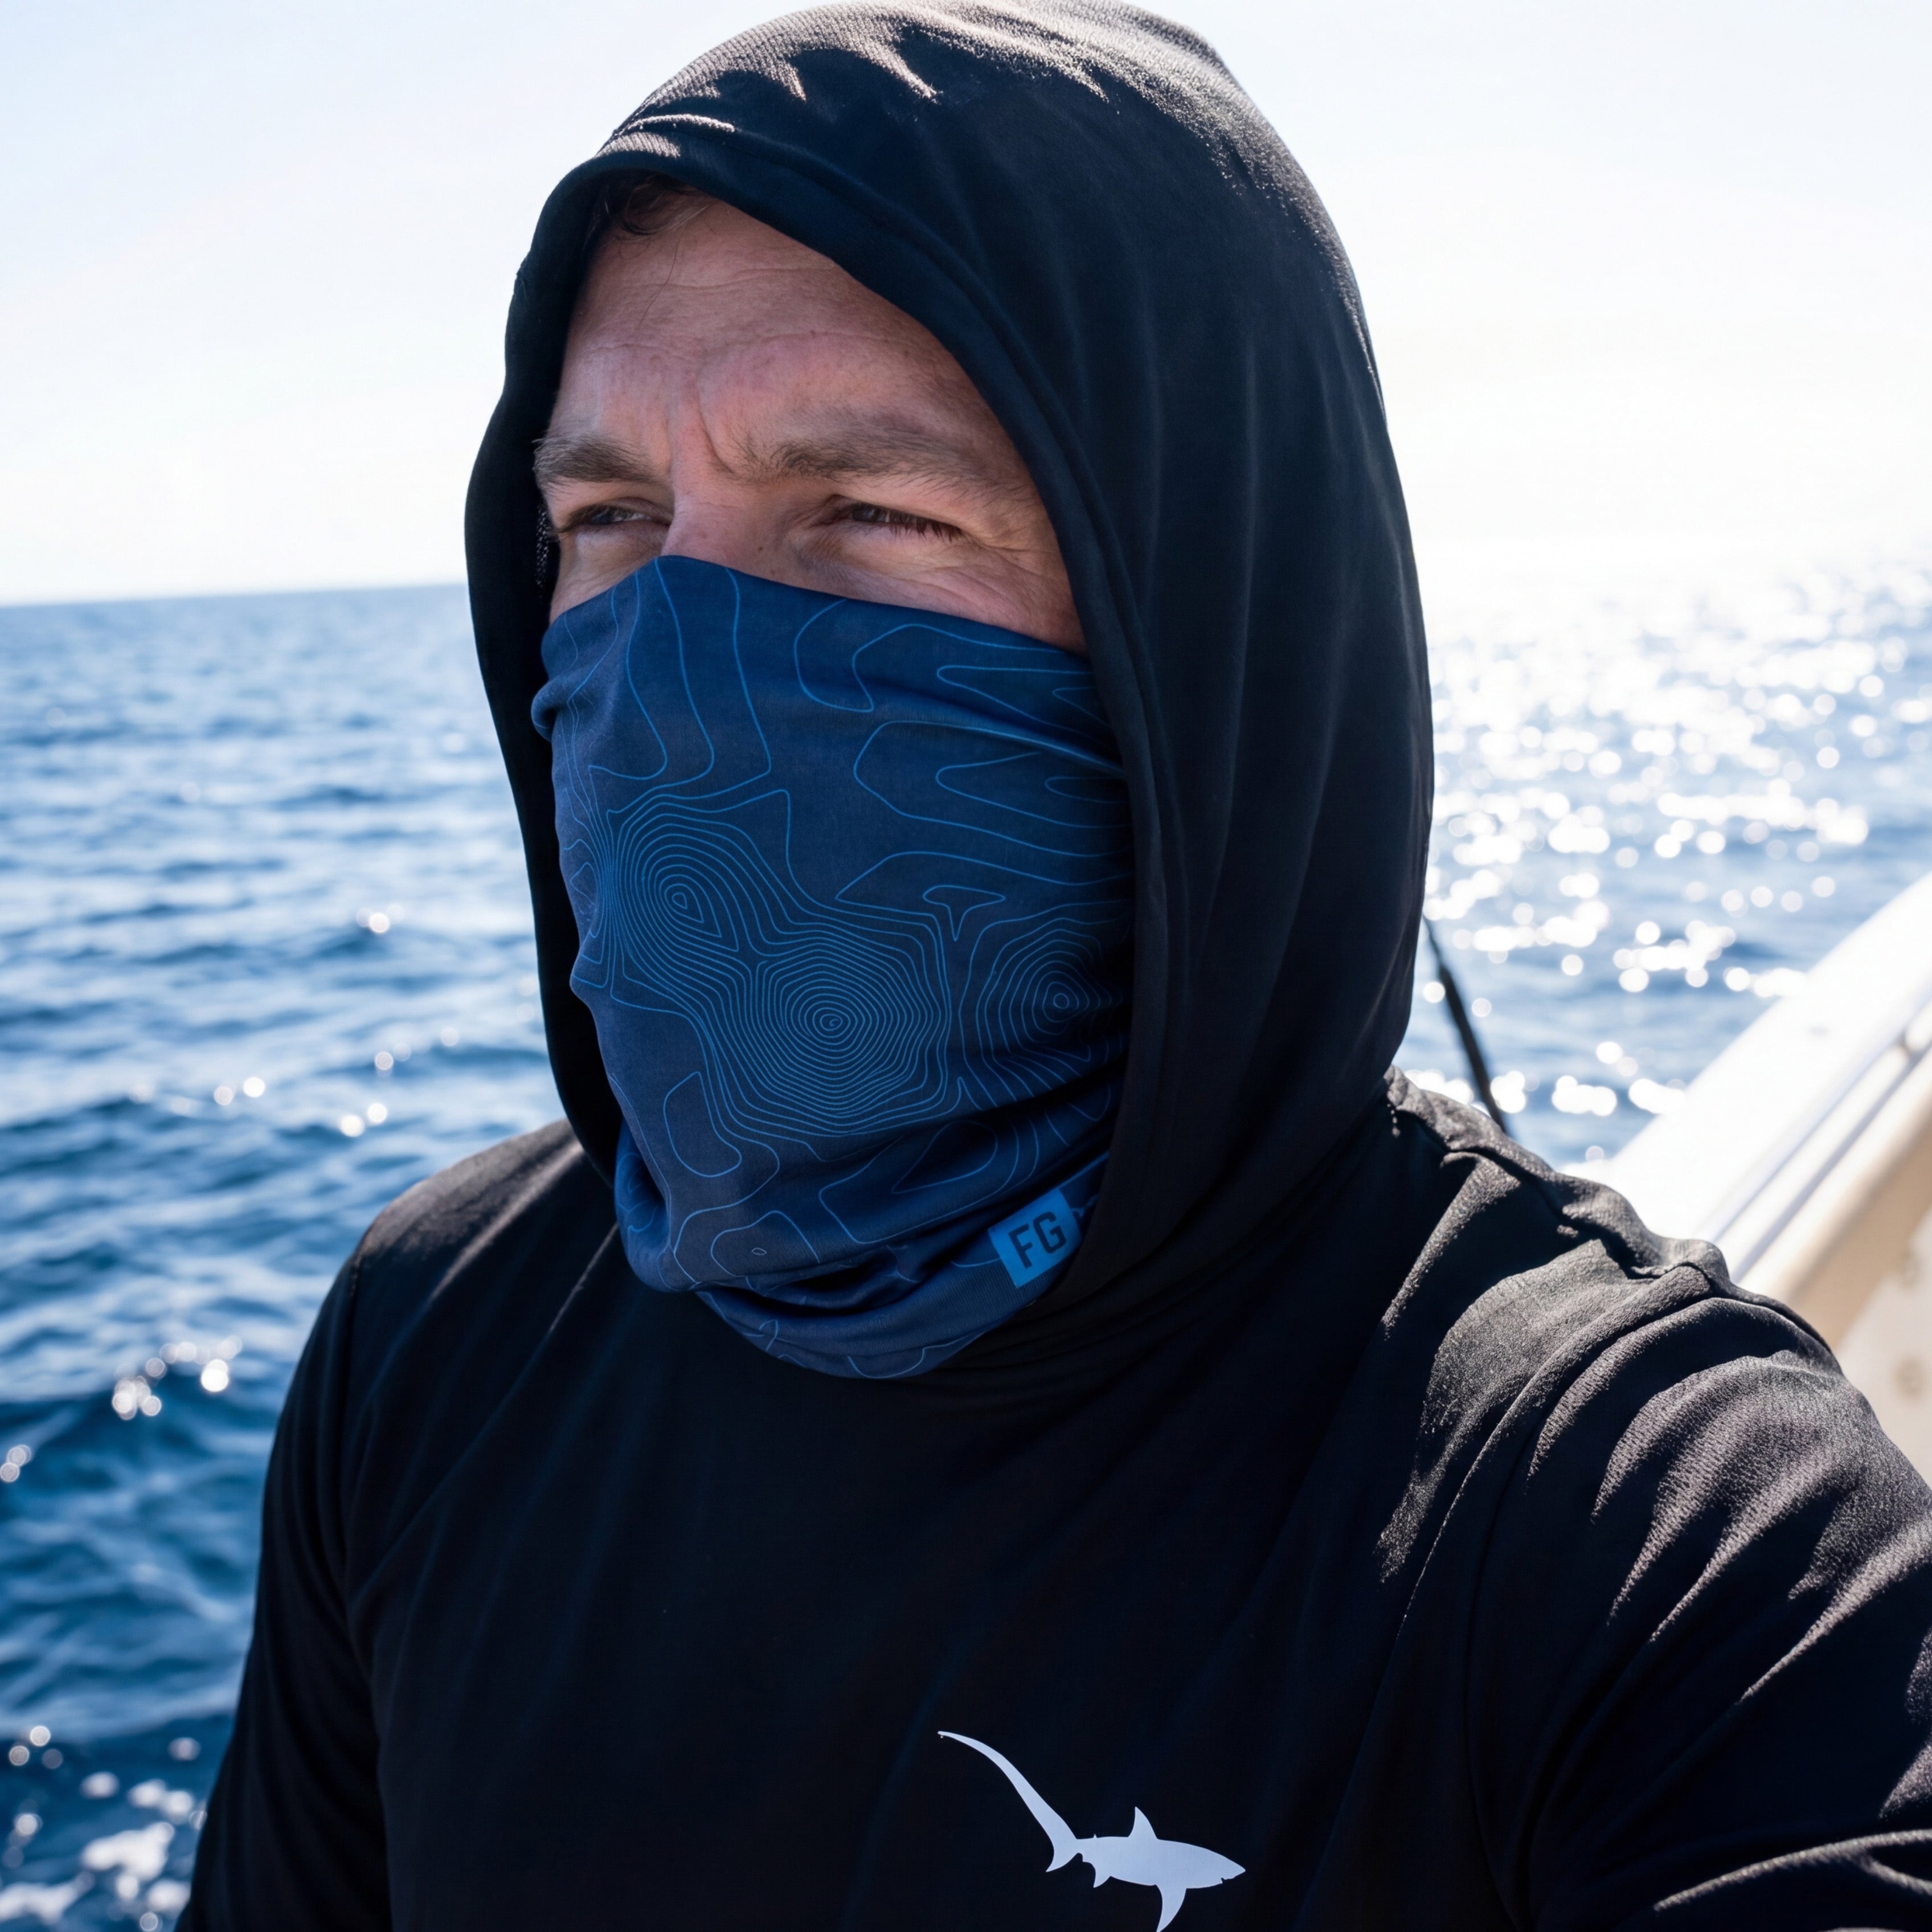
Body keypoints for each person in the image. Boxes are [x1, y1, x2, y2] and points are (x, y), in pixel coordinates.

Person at [183, 5, 1932, 1927]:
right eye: (610, 520)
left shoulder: (1661, 1541)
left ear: (1209, 620)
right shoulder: (435, 1338)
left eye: (867, 511)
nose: (681, 665)